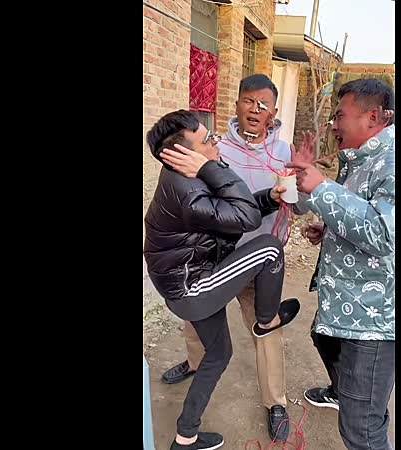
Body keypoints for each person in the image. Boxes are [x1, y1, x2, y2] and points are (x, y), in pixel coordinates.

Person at [160, 74, 306, 442]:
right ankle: (196, 364)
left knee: (266, 329)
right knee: (197, 325)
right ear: (237, 103)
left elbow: (298, 204)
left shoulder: (284, 151)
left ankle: (275, 401)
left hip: (260, 264)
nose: (255, 110)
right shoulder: (213, 148)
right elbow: (208, 204)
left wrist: (297, 190)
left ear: (274, 112)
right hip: (215, 257)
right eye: (248, 101)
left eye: (263, 104)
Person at [286, 79, 396, 450]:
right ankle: (346, 393)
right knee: (323, 339)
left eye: (340, 116)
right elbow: (356, 213)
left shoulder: (391, 160)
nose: (334, 125)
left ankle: (359, 404)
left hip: (374, 321)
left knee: (361, 431)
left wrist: (321, 188)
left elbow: (384, 234)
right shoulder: (360, 158)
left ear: (373, 117)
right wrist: (329, 225)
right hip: (346, 305)